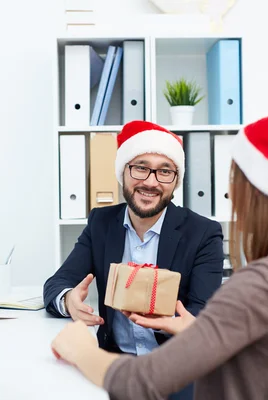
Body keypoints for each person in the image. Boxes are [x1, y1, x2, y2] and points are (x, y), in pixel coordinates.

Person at [50, 108, 268, 400]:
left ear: (252, 193)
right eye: (140, 167)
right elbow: (266, 363)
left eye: (235, 181)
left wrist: (80, 348)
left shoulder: (262, 284)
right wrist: (199, 332)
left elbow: (142, 382)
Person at [43, 120, 224, 400]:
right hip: (113, 366)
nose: (150, 182)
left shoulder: (203, 233)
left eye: (165, 171)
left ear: (176, 181)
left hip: (176, 372)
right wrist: (69, 302)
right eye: (140, 167)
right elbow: (57, 284)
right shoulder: (101, 223)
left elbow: (204, 316)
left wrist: (167, 319)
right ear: (123, 172)